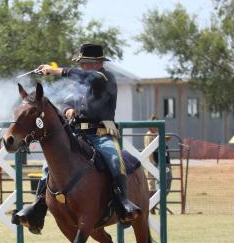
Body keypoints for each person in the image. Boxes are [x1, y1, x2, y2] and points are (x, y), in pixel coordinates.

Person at [13, 43, 141, 233]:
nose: (83, 67)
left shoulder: (103, 77)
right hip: (77, 135)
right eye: (82, 63)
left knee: (114, 159)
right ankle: (38, 206)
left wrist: (55, 71)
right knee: (49, 166)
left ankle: (123, 205)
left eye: (86, 63)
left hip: (100, 133)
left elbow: (84, 76)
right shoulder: (80, 86)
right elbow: (65, 103)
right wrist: (68, 110)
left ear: (97, 63)